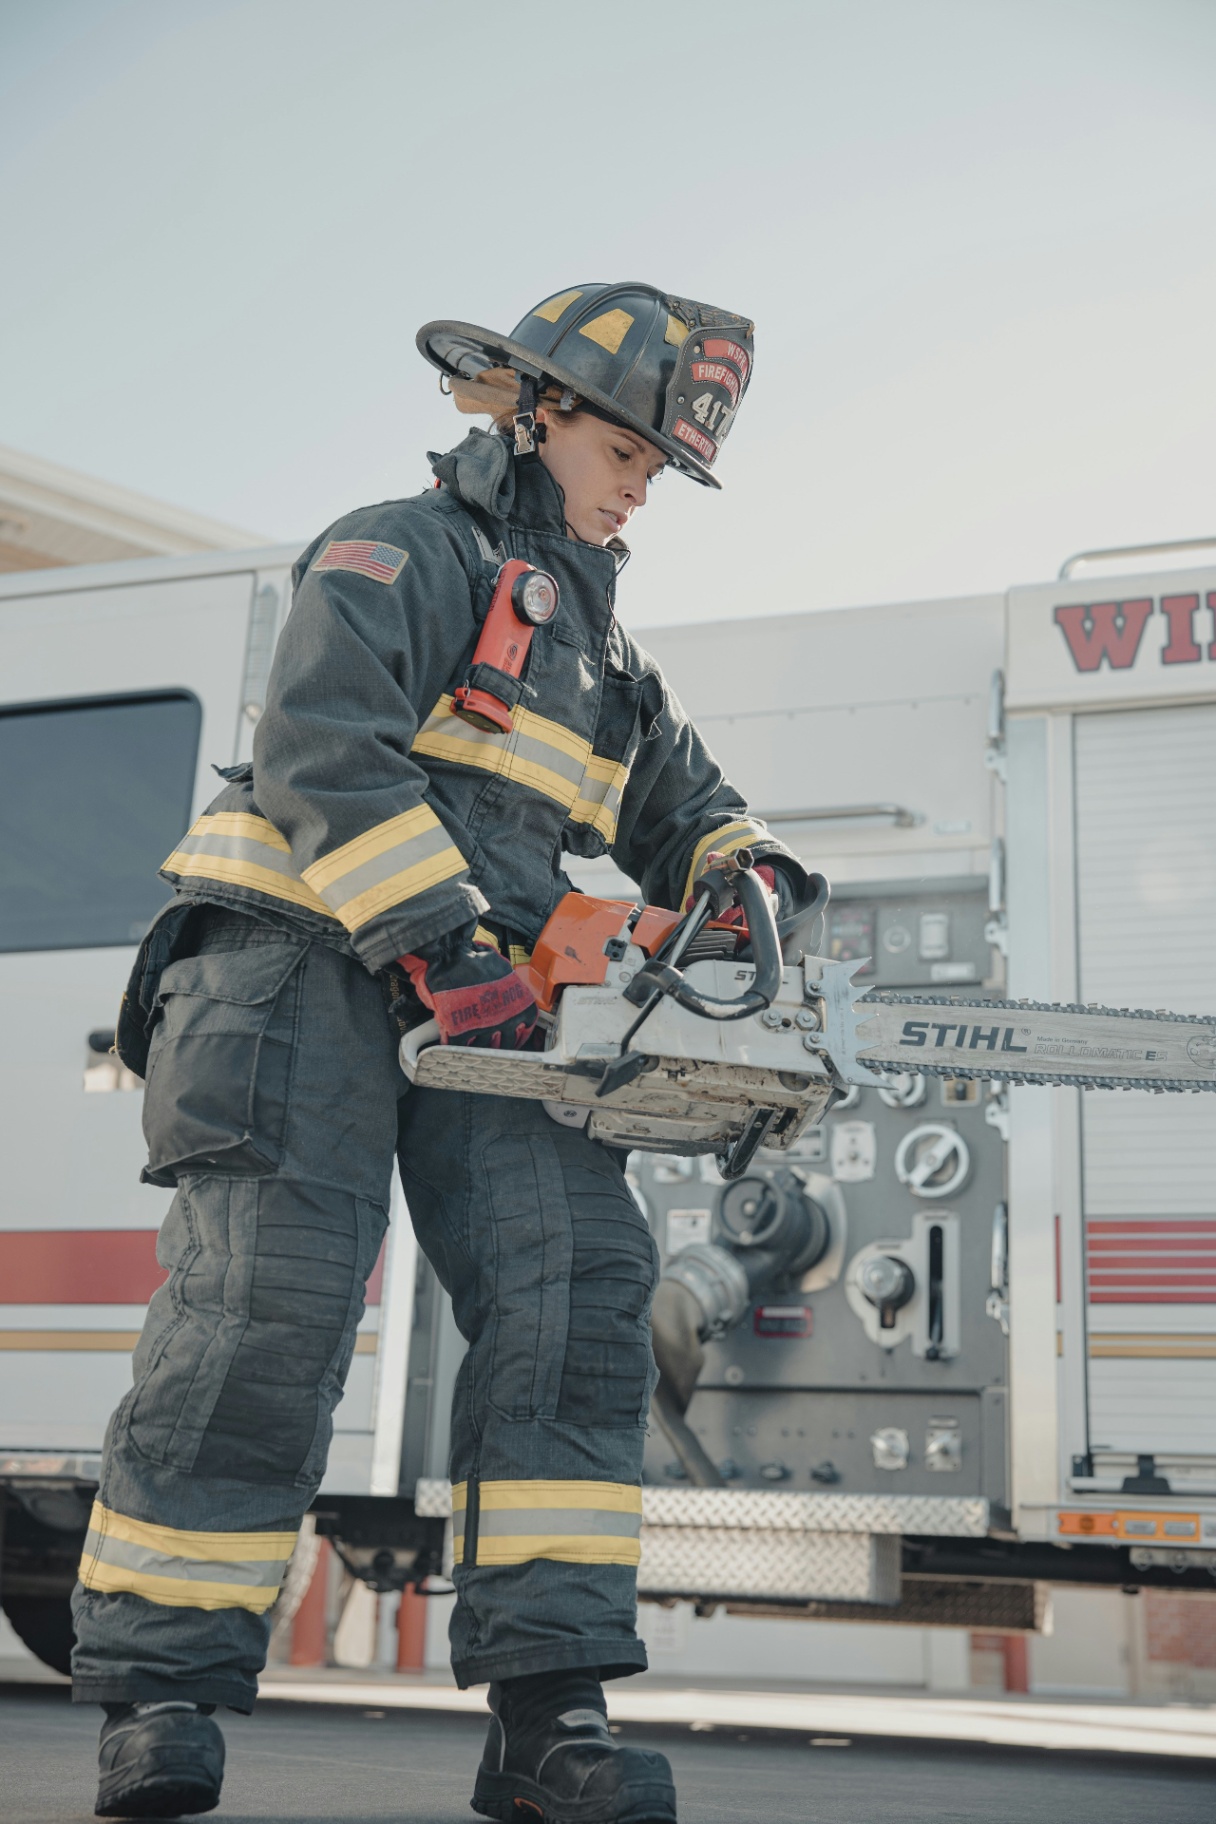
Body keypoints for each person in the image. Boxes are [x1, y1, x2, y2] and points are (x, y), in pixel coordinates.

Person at [74, 281, 807, 1822]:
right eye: (626, 447)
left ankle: (553, 1716)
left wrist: (748, 877)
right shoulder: (395, 550)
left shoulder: (608, 657)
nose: (640, 483)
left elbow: (690, 807)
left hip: (492, 1006)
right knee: (255, 1324)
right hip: (293, 975)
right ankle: (158, 1704)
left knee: (575, 1308)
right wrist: (448, 945)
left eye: (663, 466)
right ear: (534, 412)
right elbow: (322, 749)